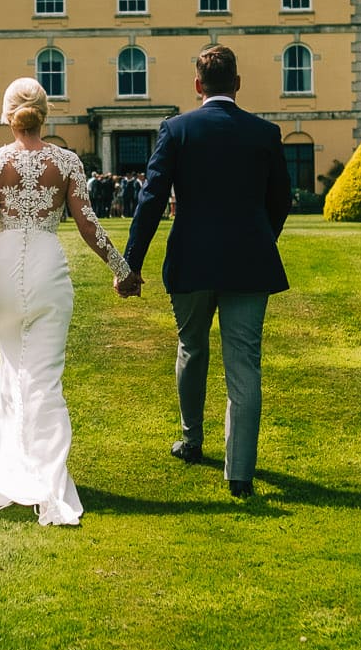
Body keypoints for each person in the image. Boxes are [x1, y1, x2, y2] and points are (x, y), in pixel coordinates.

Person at [0, 78, 134, 525]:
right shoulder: (67, 161)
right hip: (47, 272)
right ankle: (48, 485)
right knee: (44, 378)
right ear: (45, 113)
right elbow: (89, 225)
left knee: (13, 369)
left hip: (2, 273)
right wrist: (123, 269)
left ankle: (10, 472)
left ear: (7, 113)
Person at [121, 45, 291, 499]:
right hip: (250, 263)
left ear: (198, 86)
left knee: (191, 349)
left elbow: (151, 200)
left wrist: (130, 264)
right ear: (238, 83)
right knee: (244, 365)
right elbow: (281, 202)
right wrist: (261, 238)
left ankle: (191, 439)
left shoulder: (177, 130)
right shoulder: (265, 132)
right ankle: (239, 474)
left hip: (192, 260)